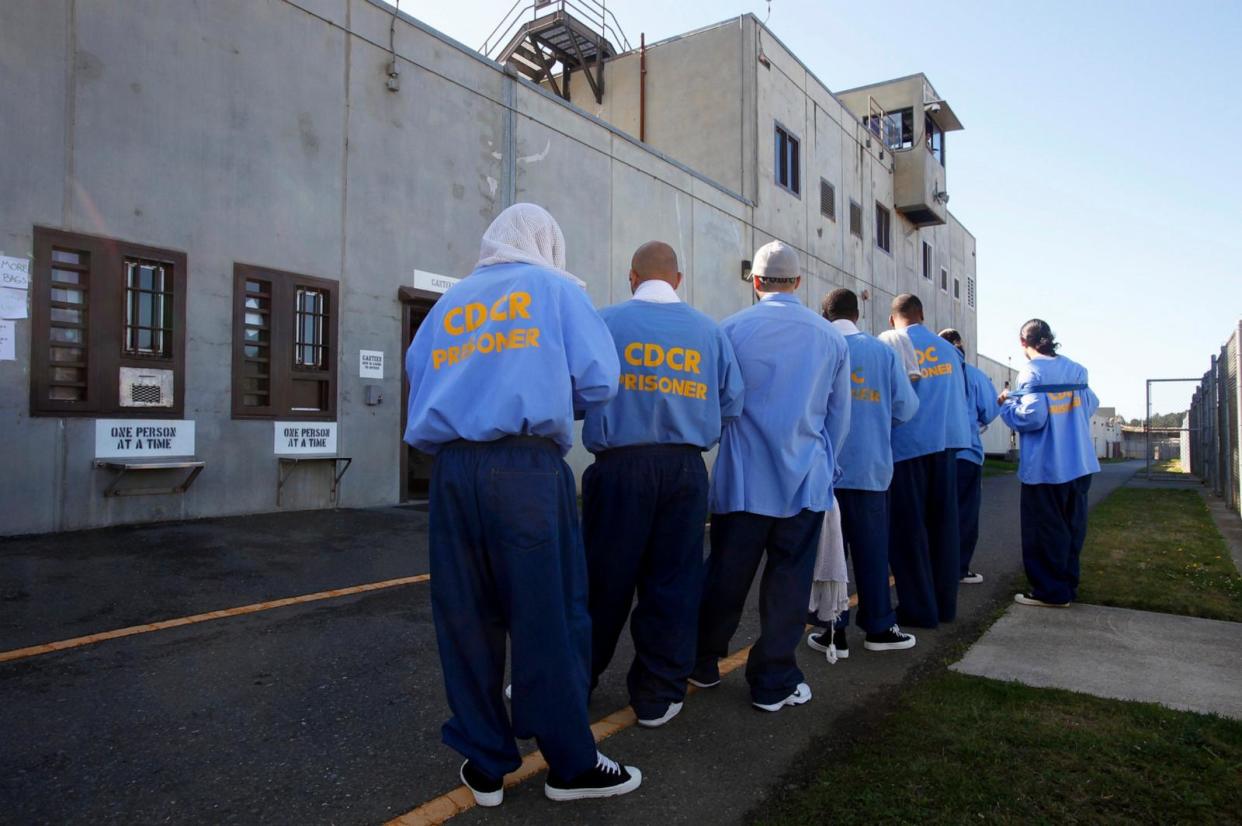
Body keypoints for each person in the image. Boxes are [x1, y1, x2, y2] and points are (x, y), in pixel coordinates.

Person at [404, 203, 641, 806]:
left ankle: (484, 762)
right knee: (552, 616)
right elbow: (600, 379)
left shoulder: (452, 302)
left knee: (466, 616)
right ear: (546, 244)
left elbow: (418, 371)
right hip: (528, 467)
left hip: (453, 472)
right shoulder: (553, 288)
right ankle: (571, 764)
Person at [581, 241, 744, 729]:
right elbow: (731, 403)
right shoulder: (709, 332)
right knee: (672, 583)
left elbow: (576, 391)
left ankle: (572, 677)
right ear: (678, 279)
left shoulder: (604, 323)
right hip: (684, 470)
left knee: (600, 583)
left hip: (618, 467)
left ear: (632, 277)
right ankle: (657, 693)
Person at [691, 241, 851, 712]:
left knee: (724, 577)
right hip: (803, 479)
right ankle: (773, 679)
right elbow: (838, 419)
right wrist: (827, 466)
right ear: (798, 283)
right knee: (788, 583)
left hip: (743, 479)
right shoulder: (829, 338)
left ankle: (701, 662)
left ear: (755, 282)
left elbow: (717, 405)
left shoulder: (730, 329)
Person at [807, 289, 920, 658]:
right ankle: (879, 627)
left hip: (824, 471)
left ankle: (832, 629)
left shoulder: (817, 347)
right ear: (858, 314)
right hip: (870, 468)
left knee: (827, 556)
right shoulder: (882, 353)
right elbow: (905, 408)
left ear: (825, 315)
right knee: (872, 552)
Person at [882, 294, 973, 628]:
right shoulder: (949, 350)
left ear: (893, 319)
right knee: (944, 528)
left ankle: (918, 609)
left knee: (908, 532)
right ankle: (945, 604)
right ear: (922, 315)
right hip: (946, 445)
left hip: (908, 446)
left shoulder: (891, 344)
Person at [999, 319, 1100, 607]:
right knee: (1072, 529)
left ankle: (1049, 591)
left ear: (1023, 343)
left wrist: (1007, 404)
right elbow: (1091, 403)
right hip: (1080, 463)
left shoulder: (1031, 372)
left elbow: (1033, 417)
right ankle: (1067, 585)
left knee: (1044, 531)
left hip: (1046, 466)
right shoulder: (1077, 369)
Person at [938, 328, 1001, 584]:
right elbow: (989, 411)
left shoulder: (932, 373)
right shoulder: (975, 376)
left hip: (934, 453)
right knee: (964, 513)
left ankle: (933, 565)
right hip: (966, 454)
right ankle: (959, 568)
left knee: (934, 513)